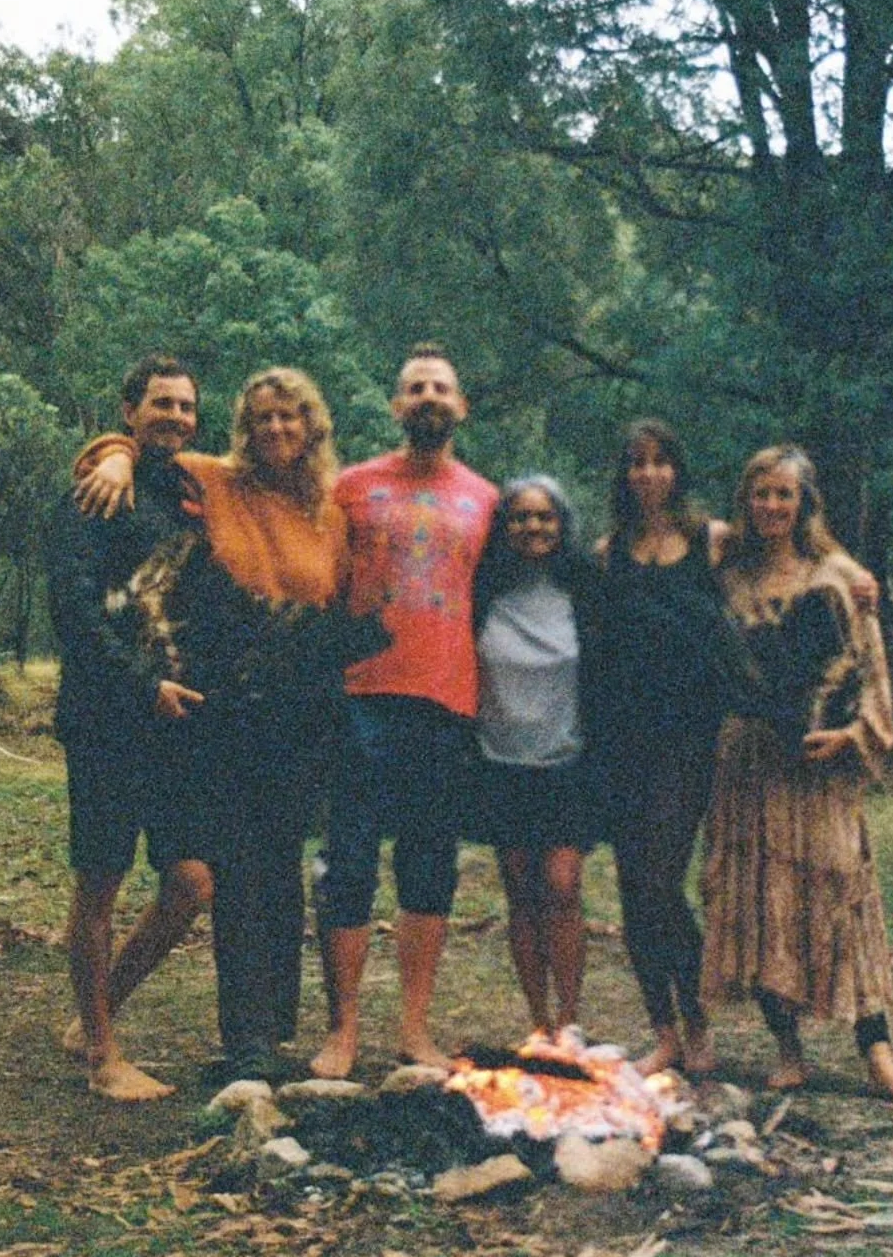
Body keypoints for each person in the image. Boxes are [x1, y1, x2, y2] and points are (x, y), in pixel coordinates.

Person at [72, 366, 357, 1080]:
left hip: (298, 710)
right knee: (232, 870)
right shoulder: (216, 480)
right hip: (222, 711)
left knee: (281, 874)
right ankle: (245, 1039)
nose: (275, 429)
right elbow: (144, 450)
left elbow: (343, 602)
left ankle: (274, 1030)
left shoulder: (332, 510)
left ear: (312, 426)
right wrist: (111, 449)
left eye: (290, 417)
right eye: (261, 418)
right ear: (244, 428)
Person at [700, 445, 893, 1106]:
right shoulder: (729, 575)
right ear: (746, 500)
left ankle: (879, 1056)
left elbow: (871, 668)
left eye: (784, 494)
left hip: (820, 766)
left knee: (844, 895)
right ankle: (787, 1048)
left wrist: (855, 734)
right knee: (761, 901)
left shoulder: (839, 576)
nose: (771, 506)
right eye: (760, 493)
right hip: (749, 762)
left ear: (805, 503)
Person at [310, 343, 497, 1079]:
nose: (427, 397)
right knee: (349, 864)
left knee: (428, 869)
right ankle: (344, 1030)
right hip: (359, 698)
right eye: (414, 387)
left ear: (460, 407)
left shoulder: (486, 499)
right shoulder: (351, 488)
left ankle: (413, 1029)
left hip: (447, 702)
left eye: (440, 388)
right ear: (396, 406)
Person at [47, 354, 213, 1102]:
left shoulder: (190, 494)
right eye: (160, 404)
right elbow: (76, 617)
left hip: (177, 722)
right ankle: (103, 1058)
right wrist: (142, 689)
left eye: (185, 407)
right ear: (127, 410)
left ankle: (96, 1012)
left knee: (190, 882)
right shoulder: (92, 495)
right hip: (108, 717)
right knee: (101, 882)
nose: (175, 417)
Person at [594, 418, 737, 1078]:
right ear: (624, 477)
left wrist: (854, 578)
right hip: (621, 738)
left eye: (659, 462)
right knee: (632, 889)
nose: (647, 474)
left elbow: (790, 566)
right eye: (635, 463)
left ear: (677, 470)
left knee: (660, 880)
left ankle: (700, 1016)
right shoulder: (608, 552)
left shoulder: (712, 542)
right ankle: (664, 1030)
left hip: (688, 737)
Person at [470, 476, 604, 1038]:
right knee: (521, 894)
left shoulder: (583, 591)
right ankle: (539, 1021)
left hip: (567, 762)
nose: (533, 528)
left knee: (562, 886)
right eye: (521, 518)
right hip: (500, 761)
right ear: (505, 527)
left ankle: (570, 1021)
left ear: (561, 524)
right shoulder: (484, 592)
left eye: (544, 517)